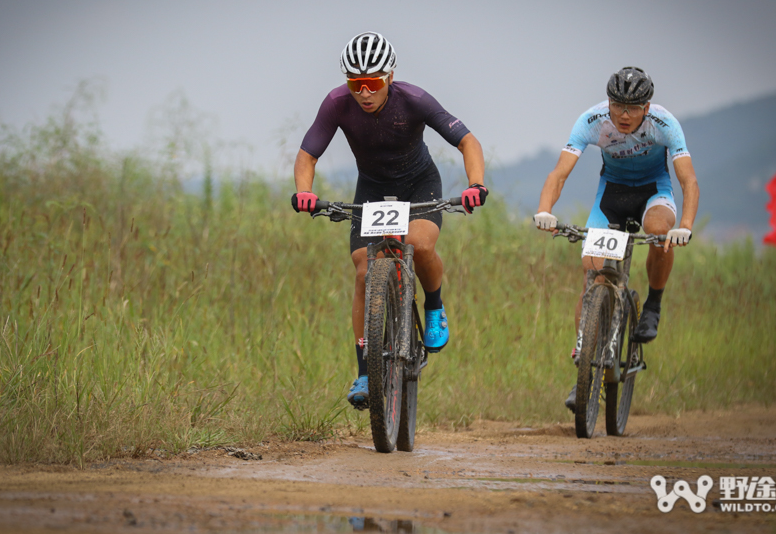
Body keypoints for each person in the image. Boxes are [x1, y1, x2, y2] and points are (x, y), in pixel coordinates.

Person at [292, 31, 487, 409]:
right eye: (356, 84)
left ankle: (433, 305)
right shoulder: (336, 104)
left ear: (390, 77)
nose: (364, 93)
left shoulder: (414, 100)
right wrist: (305, 191)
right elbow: (307, 155)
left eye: (372, 83)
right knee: (365, 270)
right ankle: (366, 370)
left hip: (419, 184)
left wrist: (476, 184)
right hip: (372, 189)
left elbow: (467, 141)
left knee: (420, 244)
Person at [533, 66, 699, 411]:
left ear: (647, 107)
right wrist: (545, 209)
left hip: (655, 192)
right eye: (617, 105)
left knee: (657, 232)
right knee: (592, 271)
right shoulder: (592, 121)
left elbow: (688, 182)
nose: (624, 115)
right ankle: (584, 366)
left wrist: (684, 224)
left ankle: (653, 302)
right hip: (611, 194)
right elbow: (560, 173)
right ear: (608, 103)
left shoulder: (666, 124)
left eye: (633, 107)